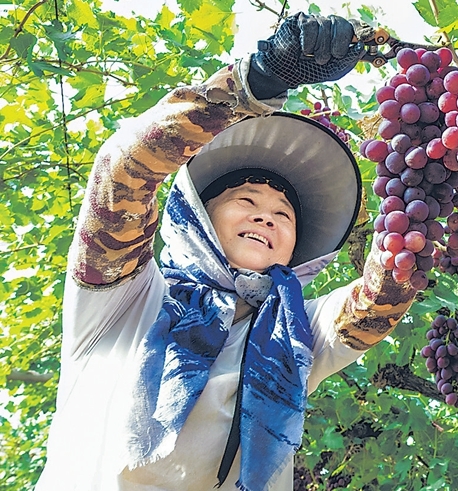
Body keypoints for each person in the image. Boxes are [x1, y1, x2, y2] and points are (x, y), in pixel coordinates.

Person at [35, 12, 416, 491]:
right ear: (196, 215)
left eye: (284, 215)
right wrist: (259, 79)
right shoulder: (123, 297)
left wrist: (428, 193)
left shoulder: (296, 333)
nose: (267, 218)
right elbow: (123, 173)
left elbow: (381, 295)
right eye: (247, 201)